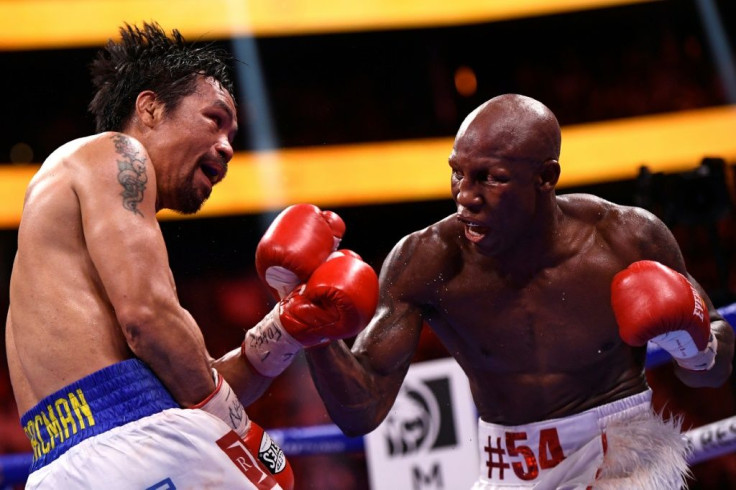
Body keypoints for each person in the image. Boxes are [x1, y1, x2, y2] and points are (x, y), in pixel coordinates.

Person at [288, 94, 733, 489]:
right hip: (508, 472)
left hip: (621, 461)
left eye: (489, 178)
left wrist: (692, 344)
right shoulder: (427, 261)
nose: (465, 196)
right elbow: (360, 412)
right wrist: (316, 332)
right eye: (457, 173)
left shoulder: (625, 240)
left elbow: (711, 371)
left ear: (546, 177)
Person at [4, 22, 378, 489]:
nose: (227, 147)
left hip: (68, 468)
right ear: (151, 107)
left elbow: (192, 383)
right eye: (214, 119)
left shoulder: (82, 236)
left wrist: (285, 328)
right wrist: (239, 433)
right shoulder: (115, 152)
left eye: (234, 135)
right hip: (134, 450)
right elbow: (149, 320)